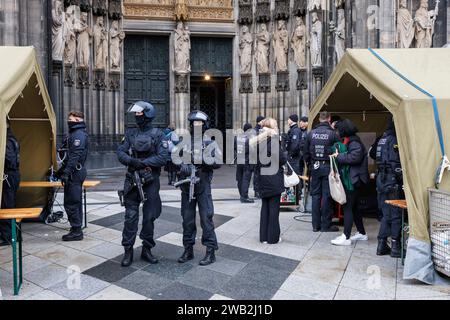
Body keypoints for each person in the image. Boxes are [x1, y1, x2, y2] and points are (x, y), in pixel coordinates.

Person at [117, 101, 169, 267]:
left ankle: (147, 249)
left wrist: (144, 162)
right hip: (132, 179)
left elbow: (163, 157)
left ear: (147, 115)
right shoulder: (131, 133)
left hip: (150, 180)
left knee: (149, 218)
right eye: (136, 114)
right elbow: (120, 152)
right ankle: (128, 250)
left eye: (139, 114)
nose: (137, 117)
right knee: (130, 217)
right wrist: (133, 161)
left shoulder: (158, 134)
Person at [177, 110, 221, 266]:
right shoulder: (185, 141)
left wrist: (202, 159)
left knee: (206, 218)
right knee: (187, 220)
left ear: (204, 124)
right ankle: (188, 249)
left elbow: (218, 162)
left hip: (202, 185)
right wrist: (182, 167)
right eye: (194, 123)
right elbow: (175, 159)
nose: (196, 125)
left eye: (199, 123)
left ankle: (210, 251)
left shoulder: (210, 142)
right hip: (187, 186)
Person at [330, 119, 369, 246]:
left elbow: (354, 158)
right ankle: (362, 233)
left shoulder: (354, 143)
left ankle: (346, 237)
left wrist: (338, 156)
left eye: (338, 130)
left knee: (348, 207)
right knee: (355, 208)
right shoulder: (351, 141)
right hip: (353, 179)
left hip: (354, 180)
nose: (337, 132)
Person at [250, 118, 287, 244]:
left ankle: (264, 237)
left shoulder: (259, 142)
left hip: (262, 178)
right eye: (275, 125)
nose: (277, 127)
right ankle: (273, 238)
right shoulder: (274, 141)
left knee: (265, 208)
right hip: (273, 178)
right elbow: (282, 159)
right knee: (274, 209)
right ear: (271, 129)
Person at [303, 111, 340, 232]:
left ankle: (315, 225)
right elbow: (338, 151)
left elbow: (305, 152)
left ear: (319, 119)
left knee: (315, 196)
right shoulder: (333, 134)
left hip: (315, 166)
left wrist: (310, 164)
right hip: (327, 166)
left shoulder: (311, 134)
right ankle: (325, 225)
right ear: (329, 119)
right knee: (326, 196)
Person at [56, 111, 89, 242]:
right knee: (75, 201)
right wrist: (61, 171)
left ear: (77, 120)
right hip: (74, 171)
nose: (68, 121)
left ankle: (76, 231)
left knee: (71, 202)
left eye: (71, 119)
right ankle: (76, 227)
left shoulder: (78, 135)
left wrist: (66, 172)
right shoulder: (74, 134)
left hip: (75, 172)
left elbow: (75, 156)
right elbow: (68, 156)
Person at [375, 118, 403, 258]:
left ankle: (381, 245)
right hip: (392, 180)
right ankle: (395, 247)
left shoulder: (382, 139)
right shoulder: (394, 140)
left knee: (386, 214)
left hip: (381, 179)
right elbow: (396, 162)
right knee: (396, 214)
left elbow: (373, 154)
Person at [0, 119, 21, 246]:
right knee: (10, 205)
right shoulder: (12, 137)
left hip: (9, 175)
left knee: (7, 207)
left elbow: (10, 160)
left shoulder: (7, 139)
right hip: (12, 175)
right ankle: (14, 235)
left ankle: (7, 237)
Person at [235, 123, 254, 203]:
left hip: (239, 160)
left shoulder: (237, 137)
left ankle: (241, 194)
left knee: (240, 178)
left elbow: (235, 148)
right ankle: (244, 197)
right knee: (246, 179)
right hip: (247, 161)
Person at [253, 116, 265, 199]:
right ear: (259, 122)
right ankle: (257, 191)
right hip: (257, 155)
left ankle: (259, 190)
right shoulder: (256, 131)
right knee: (257, 174)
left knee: (259, 173)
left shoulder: (261, 130)